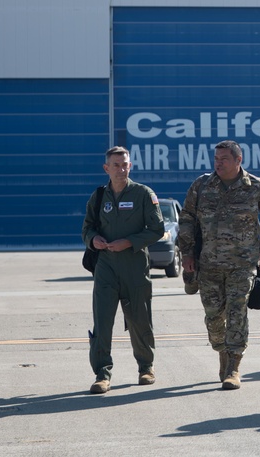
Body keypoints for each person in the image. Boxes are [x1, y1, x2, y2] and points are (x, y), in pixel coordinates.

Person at [177, 140, 260, 390]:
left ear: (238, 160)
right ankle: (222, 351)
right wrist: (187, 253)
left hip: (242, 265)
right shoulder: (201, 186)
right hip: (208, 263)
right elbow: (187, 219)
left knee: (237, 311)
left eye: (224, 159)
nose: (218, 163)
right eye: (216, 159)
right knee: (214, 317)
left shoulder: (257, 187)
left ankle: (234, 366)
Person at [82, 146, 165, 394]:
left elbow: (157, 229)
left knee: (140, 320)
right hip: (106, 266)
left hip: (135, 266)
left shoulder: (143, 194)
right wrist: (93, 240)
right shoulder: (98, 197)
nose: (121, 169)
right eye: (116, 165)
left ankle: (146, 367)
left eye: (125, 164)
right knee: (103, 321)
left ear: (131, 166)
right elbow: (86, 228)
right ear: (106, 168)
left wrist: (129, 242)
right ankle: (102, 373)